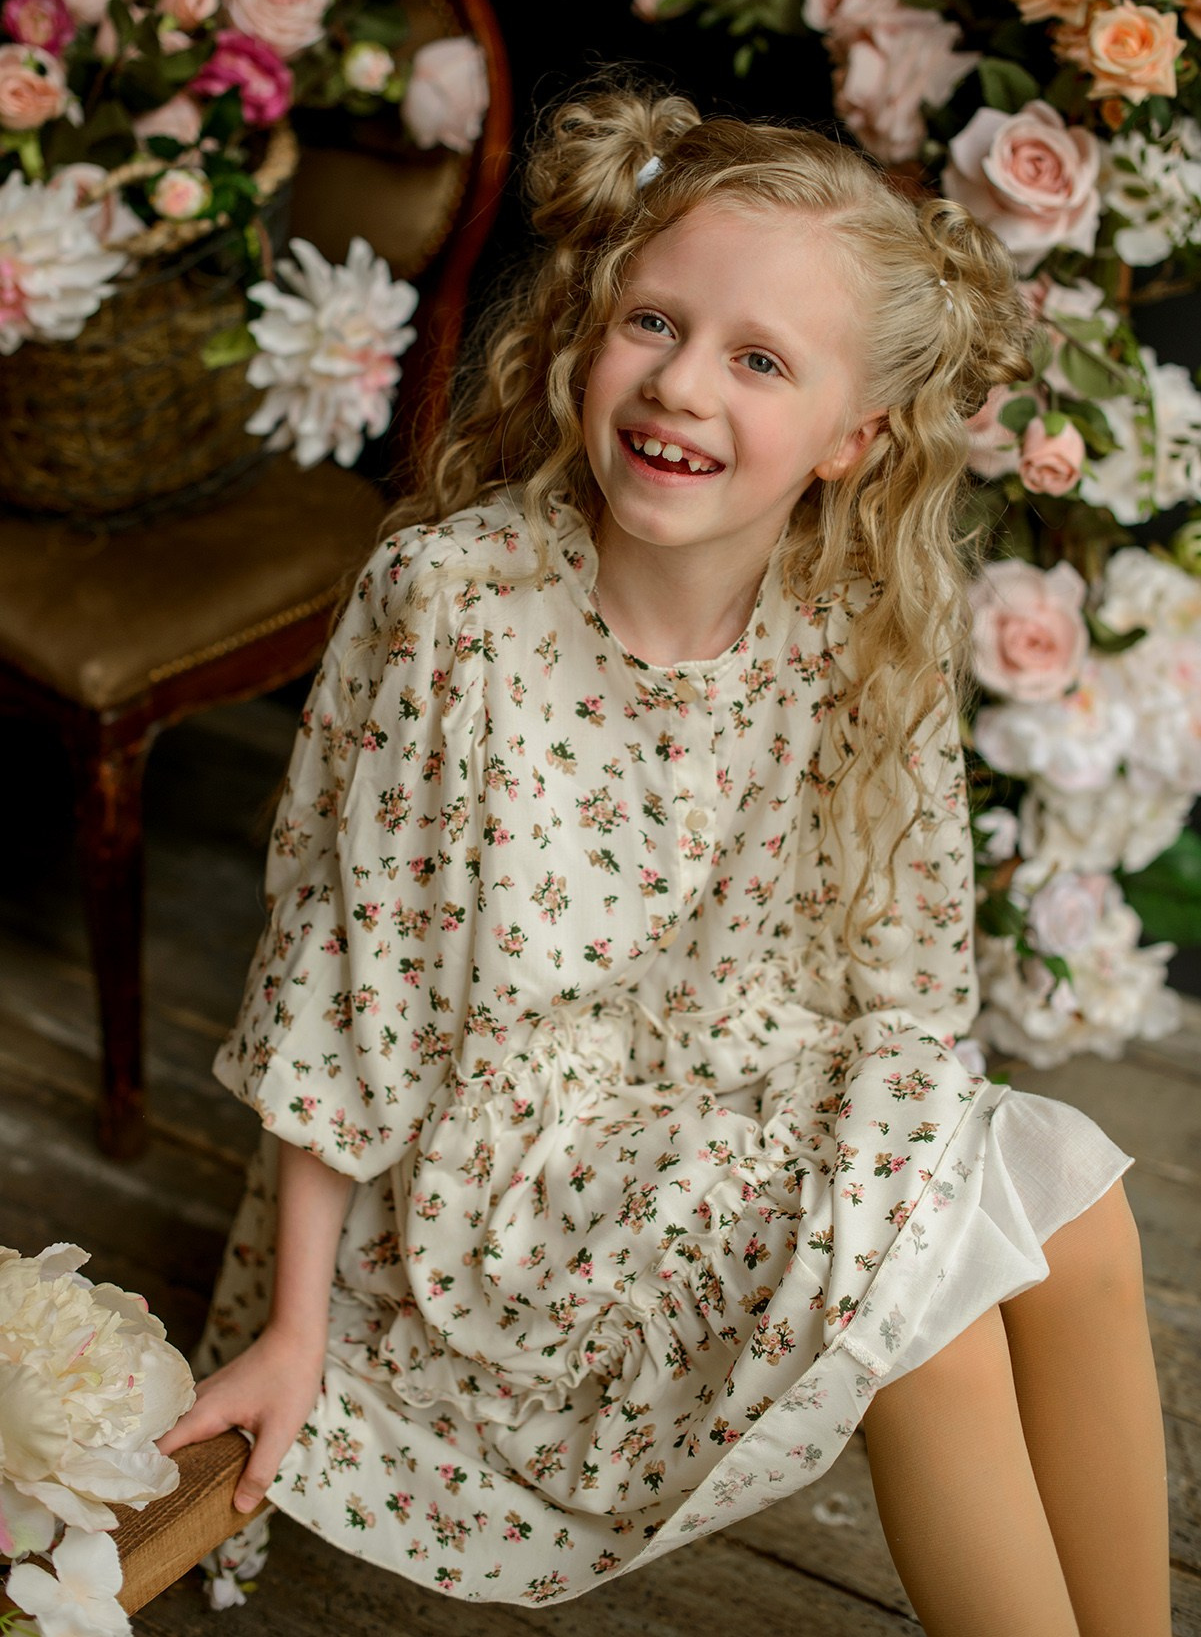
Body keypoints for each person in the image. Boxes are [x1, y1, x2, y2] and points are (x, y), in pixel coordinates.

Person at [162, 83, 1172, 1637]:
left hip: (745, 1083)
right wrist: (294, 1324)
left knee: (1070, 1209)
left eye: (757, 360)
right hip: (502, 1162)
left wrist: (909, 1175)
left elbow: (906, 990)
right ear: (584, 334)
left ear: (854, 437)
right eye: (652, 323)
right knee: (933, 1328)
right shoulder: (459, 610)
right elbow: (348, 993)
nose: (680, 387)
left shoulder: (855, 624)